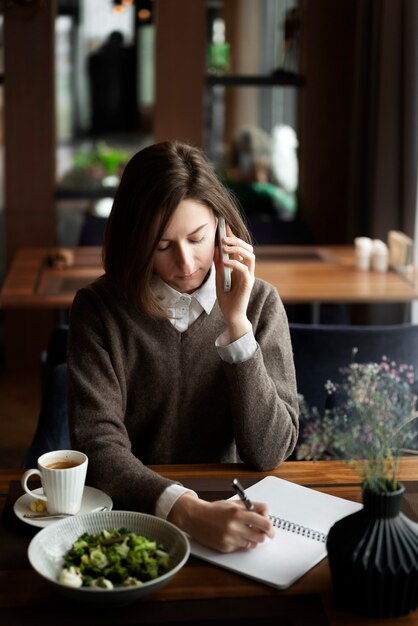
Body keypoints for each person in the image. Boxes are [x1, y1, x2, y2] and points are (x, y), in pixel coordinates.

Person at [67, 140, 299, 553]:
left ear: (222, 228)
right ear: (136, 243)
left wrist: (236, 327)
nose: (187, 264)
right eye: (162, 246)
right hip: (133, 520)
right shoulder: (98, 309)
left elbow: (270, 452)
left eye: (197, 238)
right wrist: (186, 511)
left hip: (234, 514)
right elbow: (97, 445)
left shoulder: (260, 304)